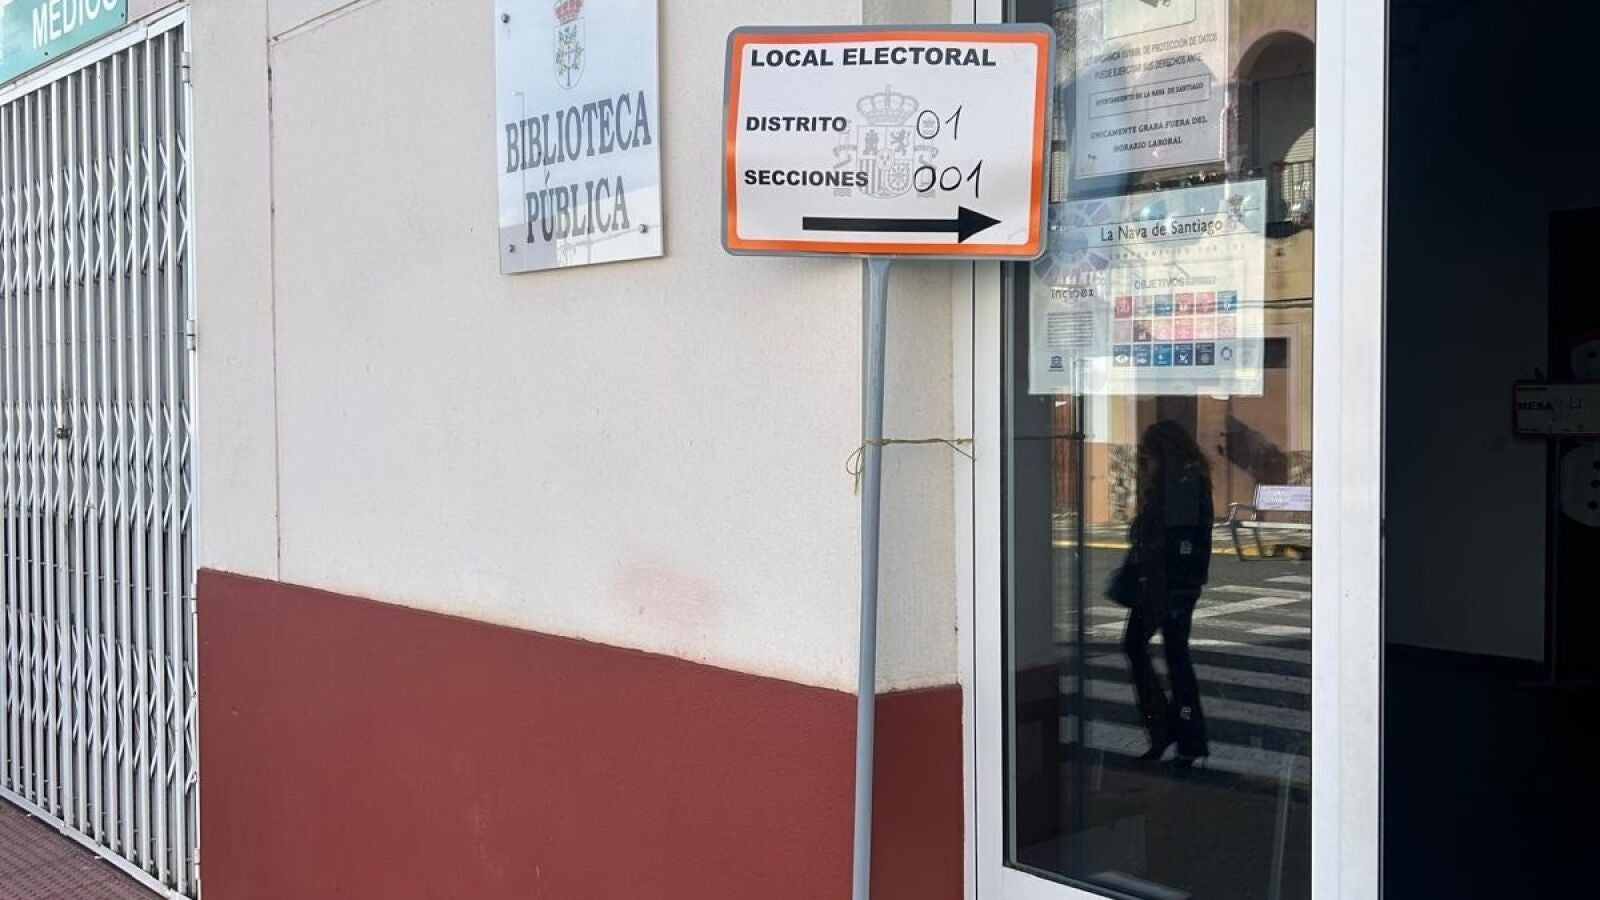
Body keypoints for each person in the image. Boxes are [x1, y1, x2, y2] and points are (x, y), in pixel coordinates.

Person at [1121, 420, 1215, 766]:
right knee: (1174, 656)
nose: (1144, 461)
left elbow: (1174, 539)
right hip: (1173, 583)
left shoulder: (1180, 481)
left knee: (1153, 651)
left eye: (1147, 454)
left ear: (1161, 452)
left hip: (1166, 584)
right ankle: (1180, 735)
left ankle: (1173, 732)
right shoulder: (1185, 478)